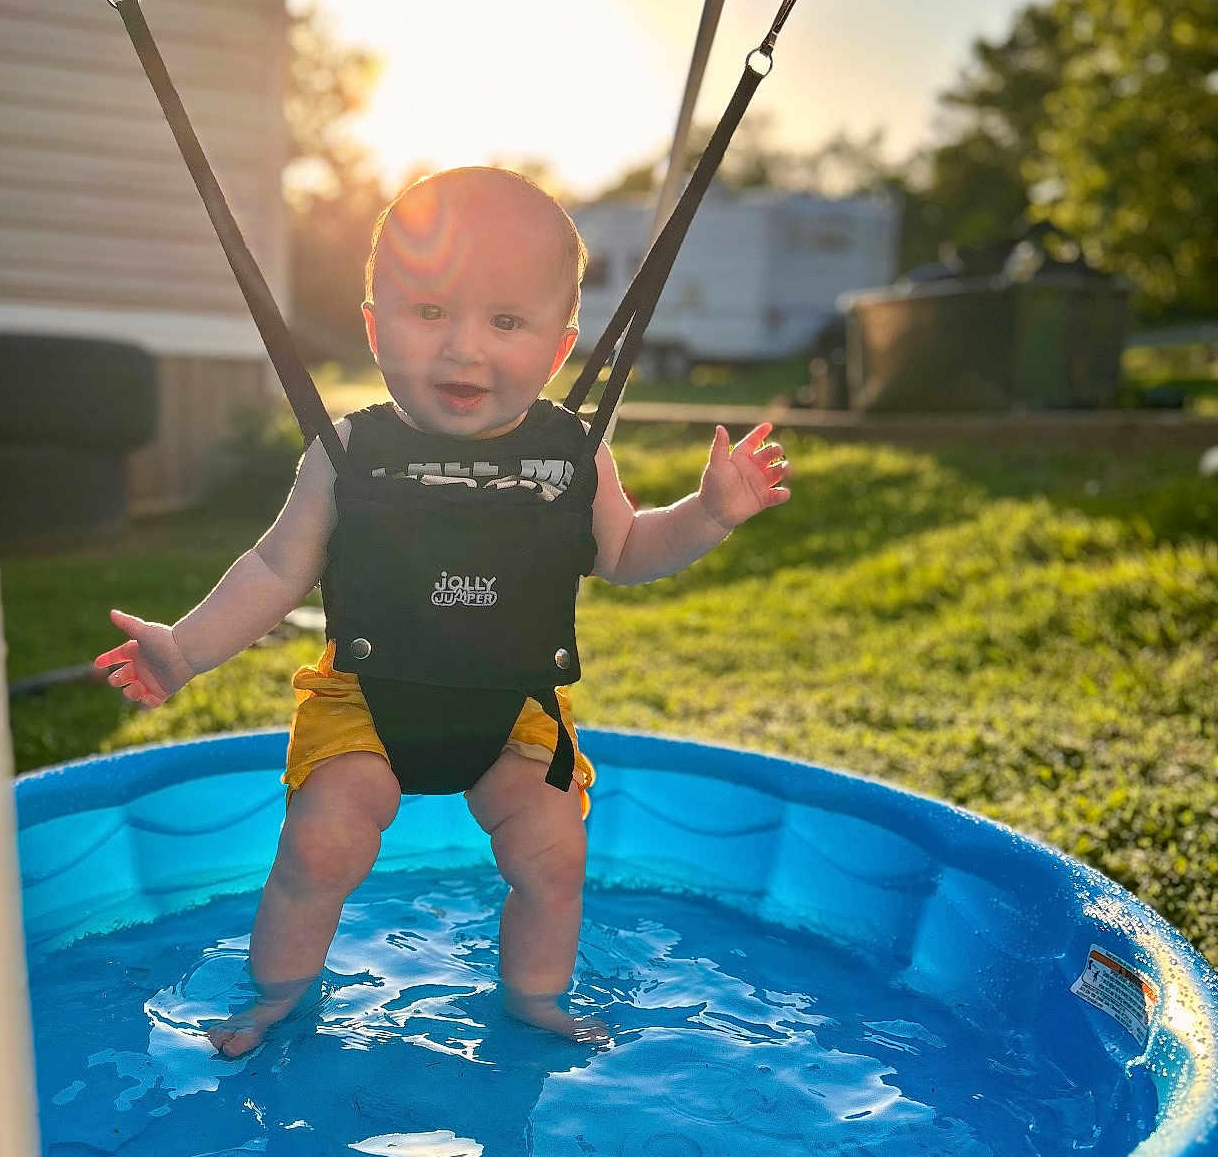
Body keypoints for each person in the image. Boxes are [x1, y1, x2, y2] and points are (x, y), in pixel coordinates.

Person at [94, 167, 791, 1058]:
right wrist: (185, 649)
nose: (464, 349)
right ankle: (275, 997)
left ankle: (534, 999)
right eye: (430, 314)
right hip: (365, 702)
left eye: (505, 322)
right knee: (320, 844)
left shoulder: (574, 453)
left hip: (515, 711)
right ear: (376, 328)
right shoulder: (347, 452)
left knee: (553, 853)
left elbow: (625, 554)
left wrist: (707, 516)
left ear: (559, 347)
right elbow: (275, 568)